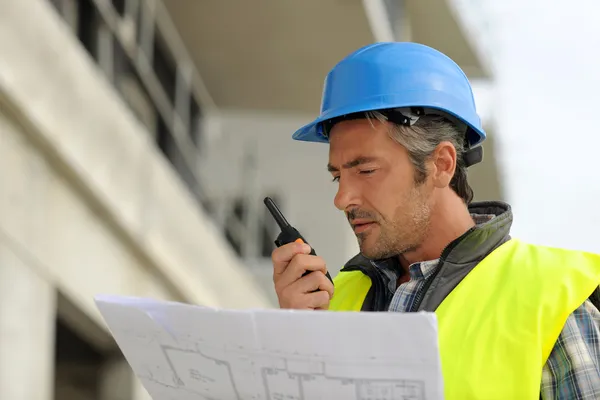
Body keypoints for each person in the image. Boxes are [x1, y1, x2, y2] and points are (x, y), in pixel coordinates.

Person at [270, 42, 600, 399]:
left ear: (441, 164)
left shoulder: (552, 299)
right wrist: (297, 344)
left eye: (365, 170)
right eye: (338, 176)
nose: (342, 198)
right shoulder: (334, 300)